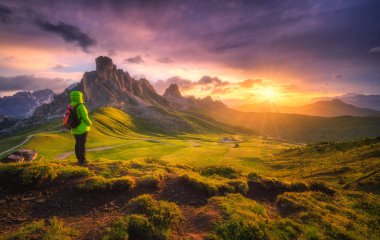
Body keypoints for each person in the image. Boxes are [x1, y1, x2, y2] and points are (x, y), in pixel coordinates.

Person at [69, 91, 92, 165]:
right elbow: (85, 118)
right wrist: (90, 124)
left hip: (74, 128)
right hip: (82, 128)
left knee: (77, 143)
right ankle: (83, 161)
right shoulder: (81, 106)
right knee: (82, 144)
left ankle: (79, 159)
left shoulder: (71, 105)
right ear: (79, 97)